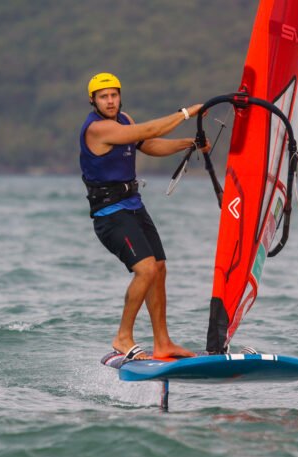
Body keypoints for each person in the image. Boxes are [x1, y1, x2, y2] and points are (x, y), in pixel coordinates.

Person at [80, 72, 206, 361]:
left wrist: (189, 144)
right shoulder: (97, 129)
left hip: (134, 206)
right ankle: (123, 337)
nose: (110, 101)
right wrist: (187, 113)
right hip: (110, 213)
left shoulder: (124, 119)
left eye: (113, 95)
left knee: (159, 268)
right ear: (93, 101)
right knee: (146, 269)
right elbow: (148, 130)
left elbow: (148, 144)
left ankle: (163, 343)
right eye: (103, 97)